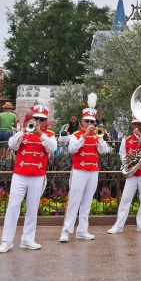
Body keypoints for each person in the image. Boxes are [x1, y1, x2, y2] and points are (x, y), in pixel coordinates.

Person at [0, 94, 58, 253]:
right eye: (35, 118)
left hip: (37, 175)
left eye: (42, 119)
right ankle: (6, 241)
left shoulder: (49, 135)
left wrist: (40, 134)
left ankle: (28, 239)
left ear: (46, 121)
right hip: (20, 174)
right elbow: (12, 145)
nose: (38, 121)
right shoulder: (24, 132)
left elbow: (52, 148)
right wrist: (22, 131)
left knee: (32, 207)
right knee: (13, 206)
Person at [60, 95, 111, 242]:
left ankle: (82, 230)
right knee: (74, 201)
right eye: (87, 121)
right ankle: (66, 231)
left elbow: (105, 151)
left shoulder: (97, 135)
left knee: (87, 202)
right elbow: (72, 149)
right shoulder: (76, 135)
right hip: (79, 170)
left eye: (92, 122)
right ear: (82, 122)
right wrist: (86, 135)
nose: (90, 123)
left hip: (93, 171)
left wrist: (100, 138)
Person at [109, 120, 141, 234]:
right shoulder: (126, 140)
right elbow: (122, 154)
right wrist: (127, 159)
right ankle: (119, 225)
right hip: (132, 174)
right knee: (125, 199)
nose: (136, 126)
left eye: (139, 124)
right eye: (134, 124)